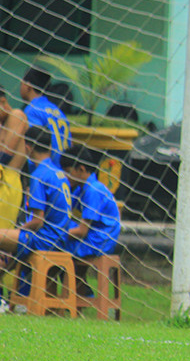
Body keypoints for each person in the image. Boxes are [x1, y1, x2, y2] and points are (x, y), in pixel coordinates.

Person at [0, 126, 72, 281]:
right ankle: (13, 297)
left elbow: (38, 221)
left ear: (27, 148)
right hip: (61, 238)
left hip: (45, 239)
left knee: (3, 237)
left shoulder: (39, 175)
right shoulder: (58, 173)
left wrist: (18, 229)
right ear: (50, 147)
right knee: (9, 257)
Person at [59, 144, 122, 296]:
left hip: (99, 240)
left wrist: (55, 233)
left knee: (53, 248)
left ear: (81, 169)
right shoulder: (82, 188)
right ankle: (83, 293)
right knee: (57, 237)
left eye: (68, 172)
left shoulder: (93, 190)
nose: (66, 177)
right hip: (94, 235)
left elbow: (81, 231)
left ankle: (77, 295)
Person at [21, 67, 71, 163]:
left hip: (45, 169)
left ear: (28, 85)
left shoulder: (32, 110)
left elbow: (35, 143)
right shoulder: (57, 111)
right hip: (63, 169)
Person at [0, 86, 28, 171]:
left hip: (9, 179)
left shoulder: (16, 115)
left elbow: (6, 153)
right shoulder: (3, 123)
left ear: (2, 101)